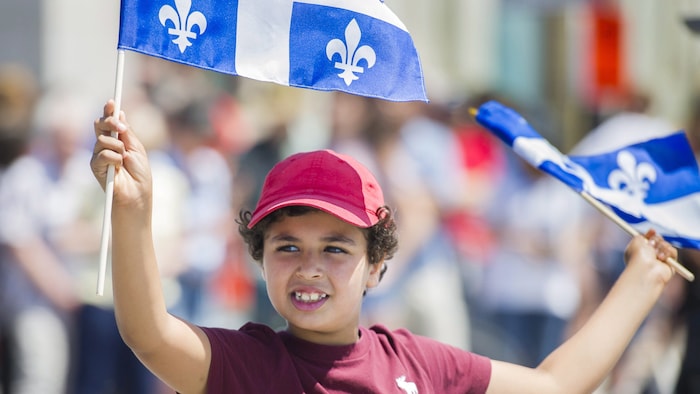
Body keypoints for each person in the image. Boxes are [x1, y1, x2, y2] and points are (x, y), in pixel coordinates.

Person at [91, 99, 678, 393]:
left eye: (337, 249)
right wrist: (133, 208)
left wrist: (643, 279)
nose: (309, 267)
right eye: (287, 246)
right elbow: (149, 331)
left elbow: (553, 387)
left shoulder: (419, 363)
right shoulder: (250, 364)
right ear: (260, 258)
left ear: (377, 267)